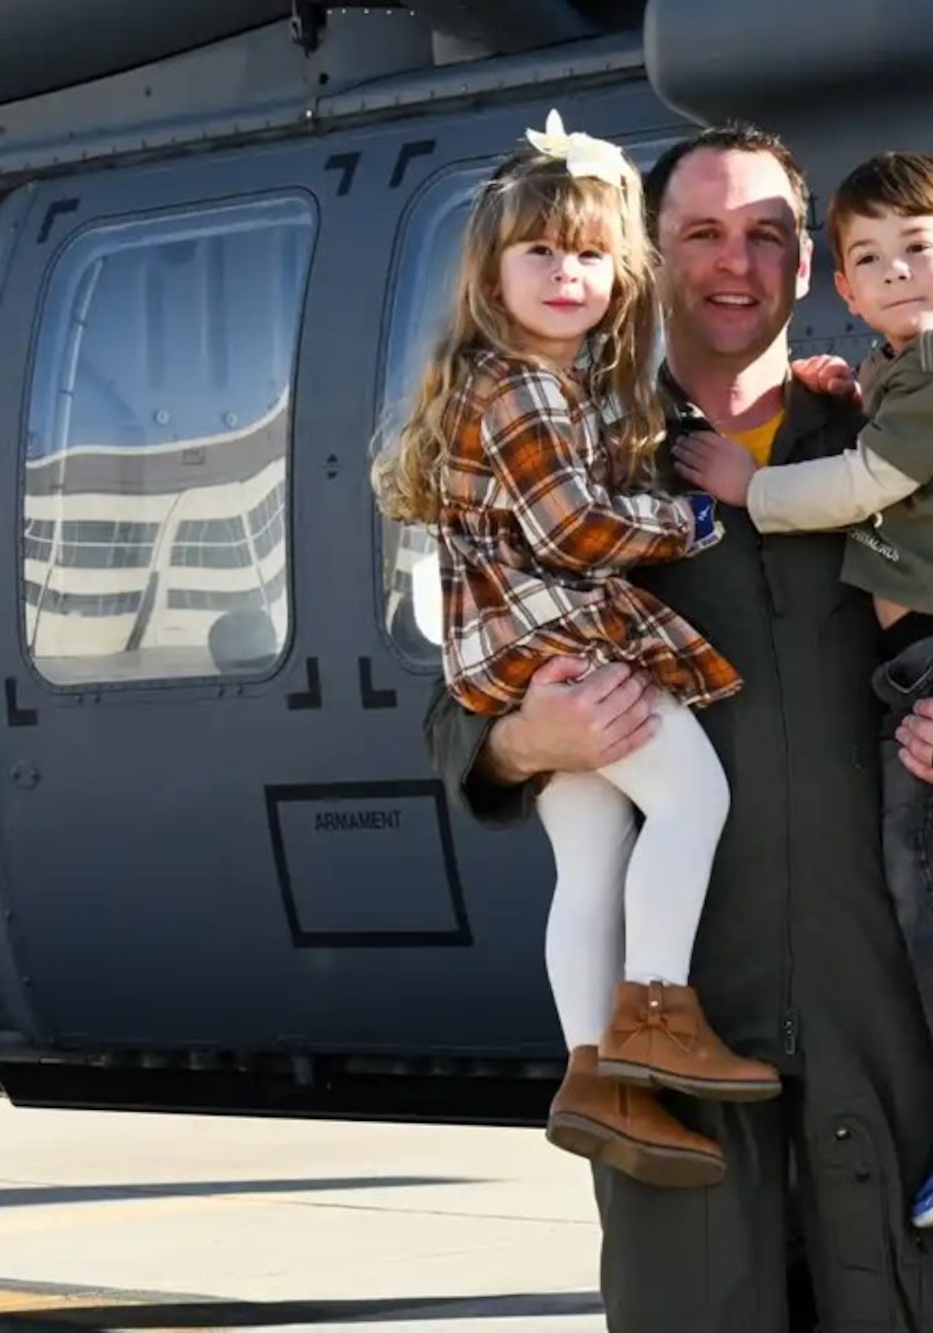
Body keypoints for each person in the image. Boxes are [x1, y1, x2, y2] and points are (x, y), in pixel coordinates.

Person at [422, 122, 933, 1333]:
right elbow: (457, 702)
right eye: (700, 233)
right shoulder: (564, 446)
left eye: (767, 235)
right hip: (674, 1034)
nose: (734, 262)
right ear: (647, 255)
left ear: (810, 267)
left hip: (884, 1008)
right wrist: (529, 738)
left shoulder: (886, 439)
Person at [672, 148, 933, 1229]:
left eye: (920, 247)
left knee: (922, 873)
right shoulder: (914, 367)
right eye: (869, 258)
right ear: (842, 290)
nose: (897, 272)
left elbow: (873, 481)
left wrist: (748, 486)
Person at [373, 112, 783, 1189]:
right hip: (562, 643)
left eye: (592, 255)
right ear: (491, 271)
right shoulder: (521, 385)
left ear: (622, 271)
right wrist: (689, 524)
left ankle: (593, 1073)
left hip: (517, 656)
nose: (568, 274)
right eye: (541, 252)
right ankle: (655, 1008)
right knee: (691, 797)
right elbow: (570, 529)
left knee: (590, 859)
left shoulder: (522, 382)